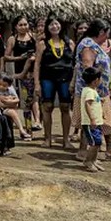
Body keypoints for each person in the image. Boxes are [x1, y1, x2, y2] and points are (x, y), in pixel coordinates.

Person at [73, 19, 111, 164]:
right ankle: (83, 152)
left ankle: (109, 149)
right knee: (89, 121)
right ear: (101, 32)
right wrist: (94, 90)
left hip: (101, 91)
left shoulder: (95, 45)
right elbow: (88, 66)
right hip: (92, 92)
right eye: (107, 34)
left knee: (108, 121)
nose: (107, 37)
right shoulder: (87, 45)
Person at [34, 17, 74, 148]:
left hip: (65, 79)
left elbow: (75, 64)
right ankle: (47, 139)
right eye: (51, 24)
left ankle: (66, 140)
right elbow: (37, 64)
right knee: (47, 107)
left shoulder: (70, 43)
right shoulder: (42, 44)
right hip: (47, 78)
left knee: (65, 108)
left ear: (61, 26)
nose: (54, 26)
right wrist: (36, 84)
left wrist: (73, 82)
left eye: (56, 24)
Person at [5, 16, 40, 131]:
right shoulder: (12, 39)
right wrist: (20, 58)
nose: (23, 27)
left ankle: (37, 122)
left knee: (35, 99)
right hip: (22, 75)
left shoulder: (33, 37)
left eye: (25, 24)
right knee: (26, 103)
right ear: (16, 26)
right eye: (20, 25)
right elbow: (6, 57)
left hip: (35, 73)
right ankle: (28, 129)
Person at [0, 73, 31, 142]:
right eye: (0, 84)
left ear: (9, 85)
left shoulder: (10, 89)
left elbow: (17, 99)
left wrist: (8, 102)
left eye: (4, 86)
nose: (1, 87)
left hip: (5, 108)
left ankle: (21, 129)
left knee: (13, 113)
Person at [79, 67, 106, 173]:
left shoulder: (92, 91)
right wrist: (92, 119)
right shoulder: (90, 92)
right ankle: (88, 161)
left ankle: (93, 160)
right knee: (94, 143)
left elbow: (94, 104)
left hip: (95, 122)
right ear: (96, 80)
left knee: (97, 142)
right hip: (91, 123)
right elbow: (88, 105)